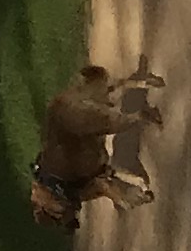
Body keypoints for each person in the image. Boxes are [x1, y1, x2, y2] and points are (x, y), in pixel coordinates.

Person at [27, 58, 168, 228]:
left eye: (64, 216)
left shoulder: (64, 190)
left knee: (111, 119)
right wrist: (134, 186)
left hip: (72, 121)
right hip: (63, 119)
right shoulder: (66, 191)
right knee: (101, 98)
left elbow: (103, 184)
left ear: (49, 208)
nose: (74, 215)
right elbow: (102, 180)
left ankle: (141, 110)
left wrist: (122, 198)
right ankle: (138, 85)